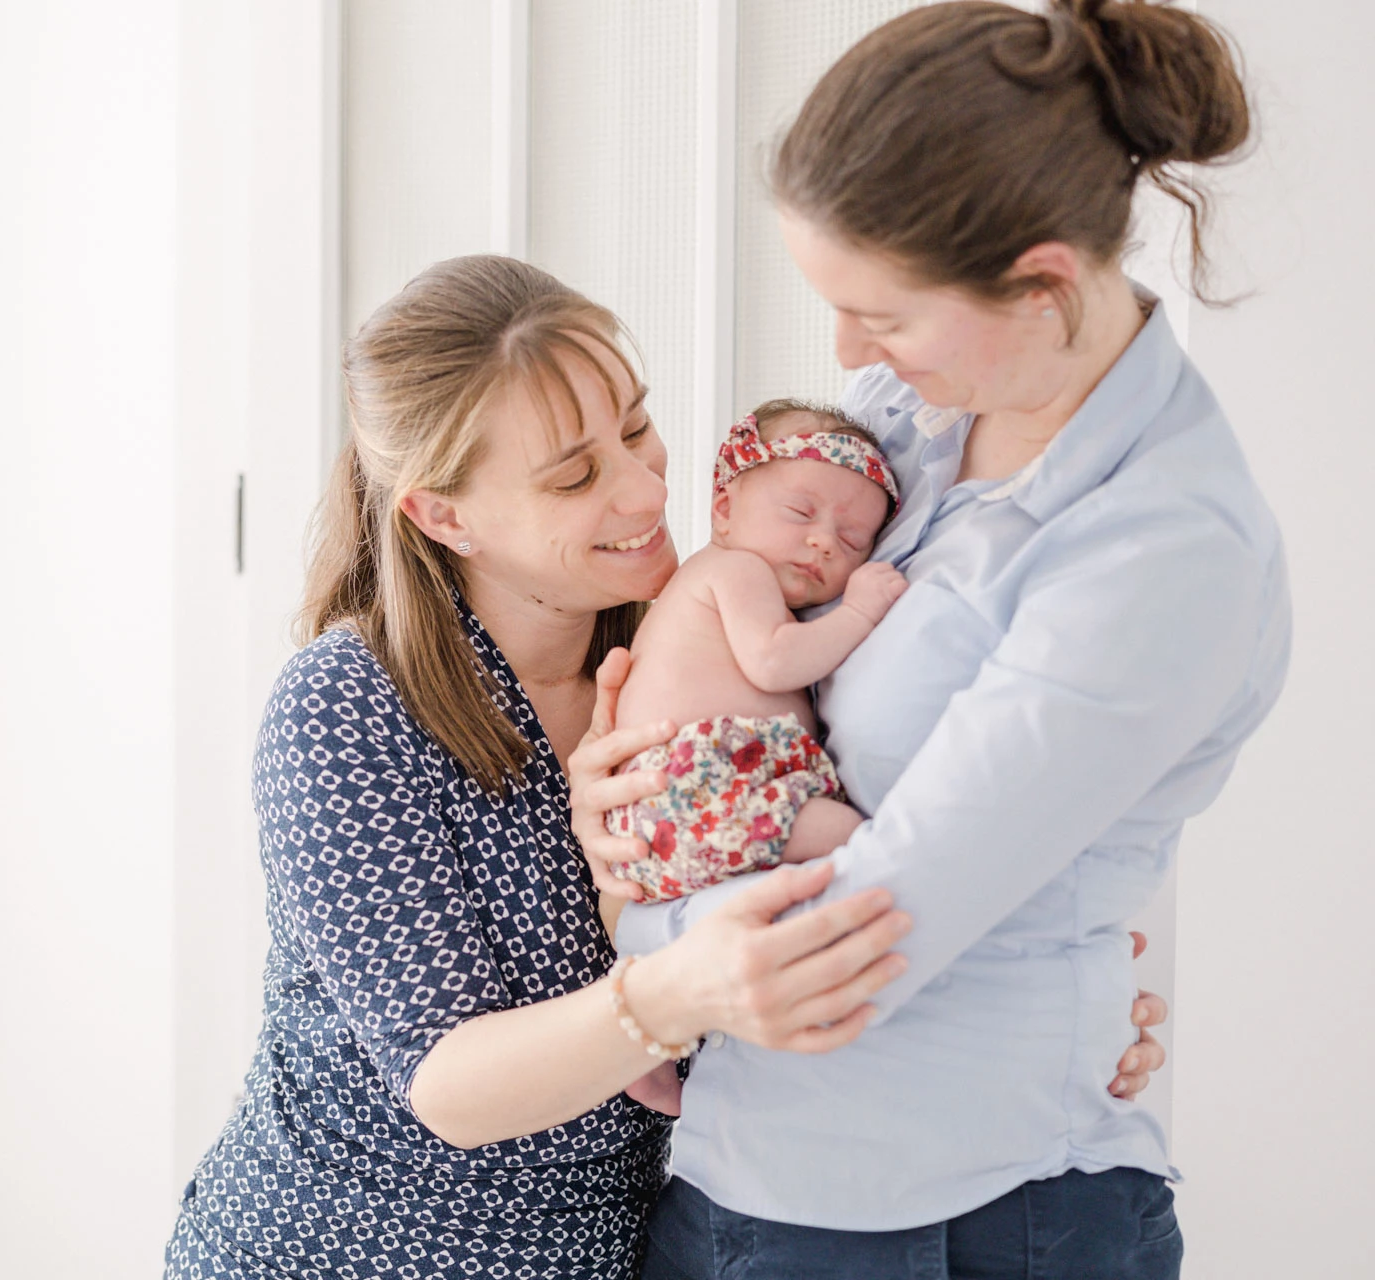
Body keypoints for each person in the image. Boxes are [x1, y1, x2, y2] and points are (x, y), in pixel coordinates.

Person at [164, 254, 1167, 1280]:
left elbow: (864, 854)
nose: (646, 486)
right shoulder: (351, 705)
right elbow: (450, 1083)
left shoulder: (705, 638)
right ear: (445, 515)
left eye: (638, 426)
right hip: (335, 1250)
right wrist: (671, 992)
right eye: (574, 475)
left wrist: (1049, 998)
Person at [574, 2, 1286, 1276]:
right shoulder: (914, 407)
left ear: (1044, 281)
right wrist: (621, 796)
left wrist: (636, 911)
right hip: (753, 1167)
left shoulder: (1164, 549)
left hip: (959, 1212)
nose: (848, 354)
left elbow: (865, 944)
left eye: (883, 315)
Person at [605, 400, 906, 904]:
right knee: (844, 833)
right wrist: (858, 613)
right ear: (724, 509)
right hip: (691, 794)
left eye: (853, 540)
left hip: (679, 812)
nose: (824, 542)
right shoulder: (735, 570)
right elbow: (775, 662)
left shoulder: (739, 583)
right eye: (799, 513)